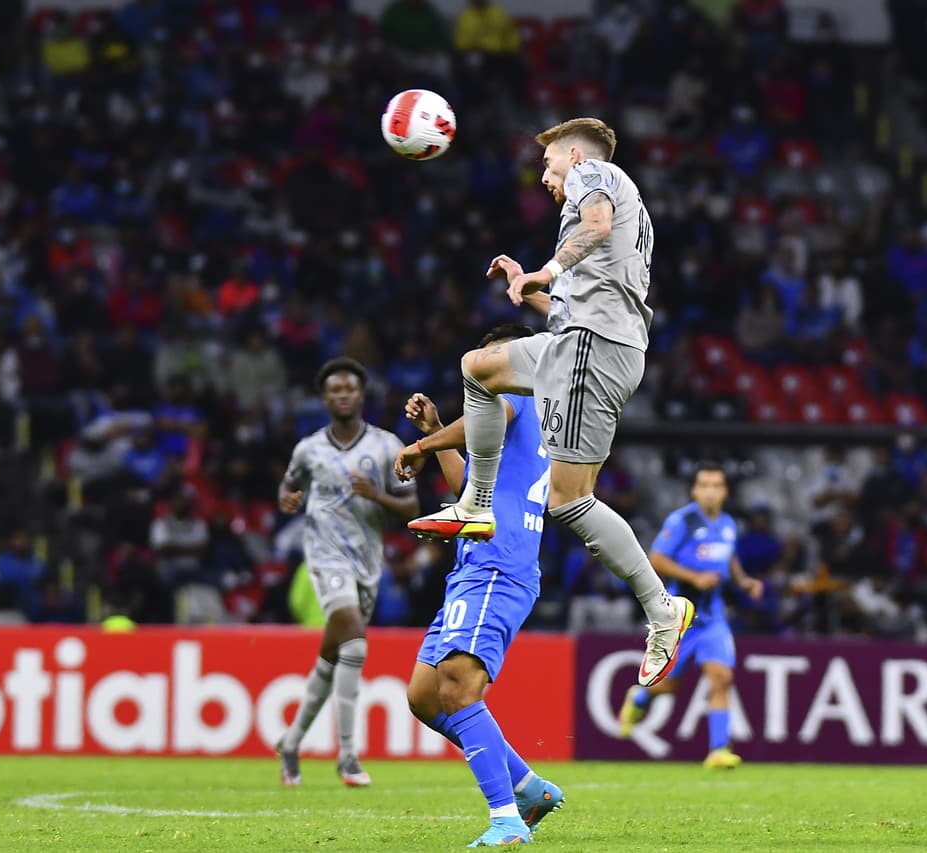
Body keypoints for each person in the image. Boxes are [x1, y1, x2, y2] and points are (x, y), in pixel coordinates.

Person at [401, 117, 693, 687]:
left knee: (571, 500)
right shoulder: (620, 200)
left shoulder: (593, 174)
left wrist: (548, 268)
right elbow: (574, 306)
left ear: (575, 155)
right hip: (584, 342)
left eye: (548, 162)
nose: (544, 175)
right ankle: (477, 504)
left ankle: (662, 609)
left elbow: (596, 226)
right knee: (478, 368)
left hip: (593, 349)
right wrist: (533, 285)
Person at [398, 323, 564, 847]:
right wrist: (438, 430)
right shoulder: (527, 419)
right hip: (476, 566)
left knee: (457, 686)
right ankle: (528, 788)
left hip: (497, 564)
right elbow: (473, 487)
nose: (486, 369)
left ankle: (506, 820)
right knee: (425, 696)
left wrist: (422, 443)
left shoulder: (519, 393)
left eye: (494, 356)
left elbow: (479, 423)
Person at [276, 357, 419, 787]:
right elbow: (289, 485)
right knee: (355, 644)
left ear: (361, 395)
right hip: (325, 556)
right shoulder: (309, 449)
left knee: (334, 655)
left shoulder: (387, 446)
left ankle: (290, 742)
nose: (342, 395)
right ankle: (348, 756)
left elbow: (411, 507)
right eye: (335, 390)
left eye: (349, 389)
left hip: (367, 562)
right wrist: (288, 498)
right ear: (324, 398)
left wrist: (376, 495)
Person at [616, 463, 764, 769]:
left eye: (716, 486)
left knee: (721, 677)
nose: (710, 492)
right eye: (704, 485)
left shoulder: (728, 523)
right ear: (695, 490)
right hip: (682, 616)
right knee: (670, 686)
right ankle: (639, 698)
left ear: (725, 491)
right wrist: (694, 577)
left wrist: (743, 581)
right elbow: (657, 559)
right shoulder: (682, 520)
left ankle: (718, 750)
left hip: (714, 617)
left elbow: (729, 556)